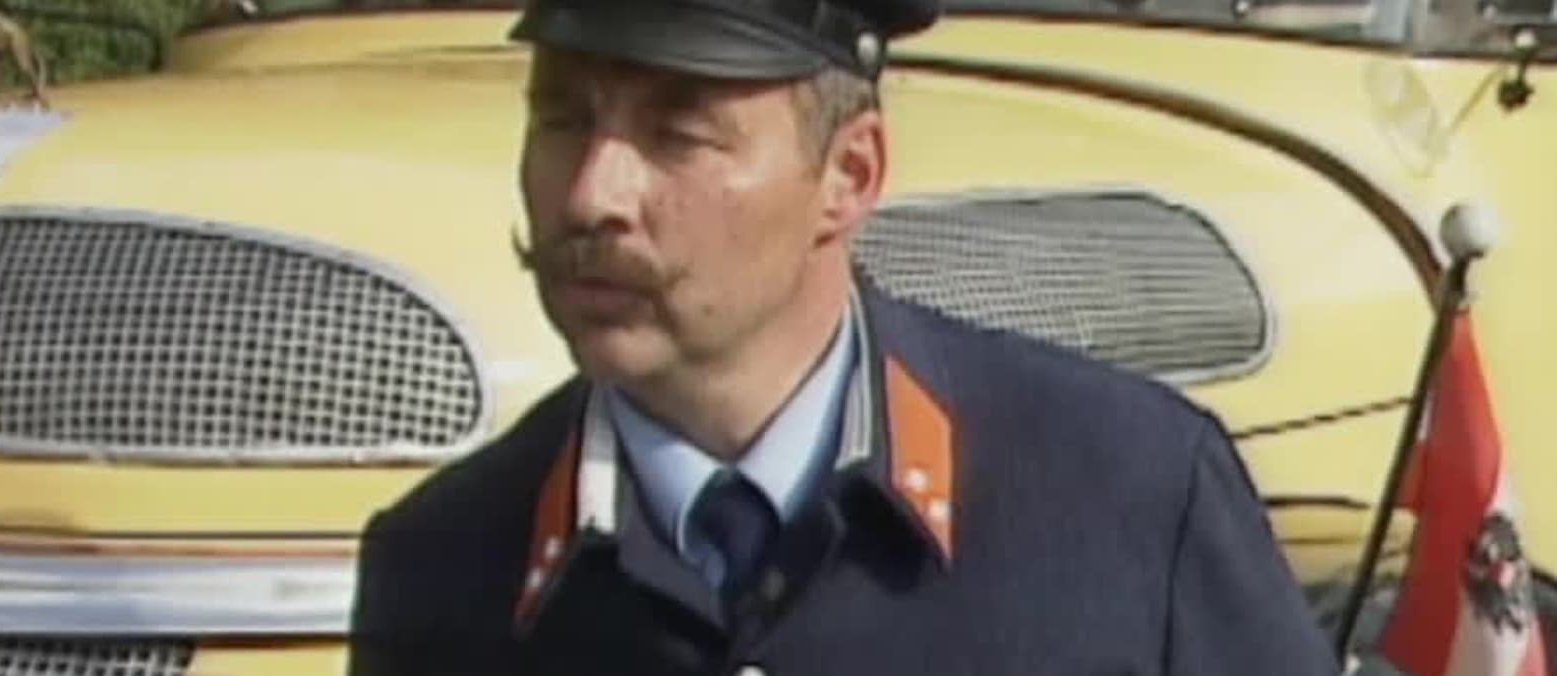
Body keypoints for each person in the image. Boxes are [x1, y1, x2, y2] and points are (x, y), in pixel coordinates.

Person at [348, 0, 1341, 673]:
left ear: (849, 176)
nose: (592, 195)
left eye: (677, 134)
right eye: (563, 119)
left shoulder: (1129, 498)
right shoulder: (446, 569)